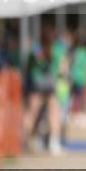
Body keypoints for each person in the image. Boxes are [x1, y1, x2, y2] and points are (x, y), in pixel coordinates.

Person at [24, 23, 66, 156]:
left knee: (31, 114)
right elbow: (63, 69)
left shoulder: (35, 50)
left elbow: (28, 66)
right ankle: (54, 143)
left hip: (36, 84)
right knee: (54, 114)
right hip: (51, 84)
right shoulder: (58, 50)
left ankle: (24, 141)